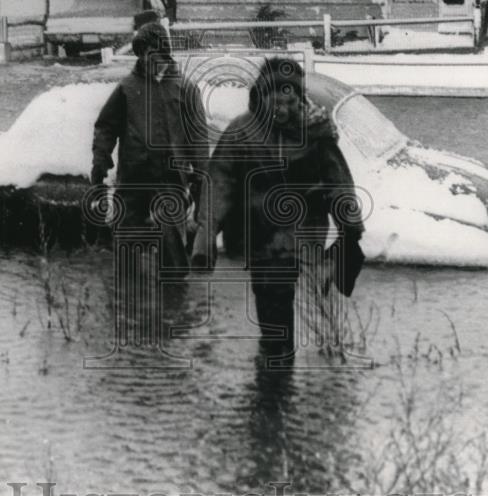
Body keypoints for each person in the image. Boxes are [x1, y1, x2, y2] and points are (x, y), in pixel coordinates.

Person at [190, 57, 365, 362]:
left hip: (302, 236)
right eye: (276, 91)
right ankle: (279, 373)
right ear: (262, 92)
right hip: (259, 237)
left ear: (298, 94)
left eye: (289, 91)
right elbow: (219, 183)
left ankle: (290, 374)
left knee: (295, 305)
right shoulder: (242, 131)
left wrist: (351, 230)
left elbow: (338, 181)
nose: (283, 99)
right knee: (273, 307)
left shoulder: (314, 130)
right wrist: (206, 232)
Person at [91, 21, 206, 279]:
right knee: (126, 257)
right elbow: (106, 127)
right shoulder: (127, 88)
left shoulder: (185, 89)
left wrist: (200, 179)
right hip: (132, 180)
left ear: (164, 51)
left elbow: (198, 138)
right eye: (143, 52)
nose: (148, 57)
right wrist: (100, 161)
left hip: (170, 181)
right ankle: (129, 309)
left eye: (154, 50)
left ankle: (174, 308)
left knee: (173, 257)